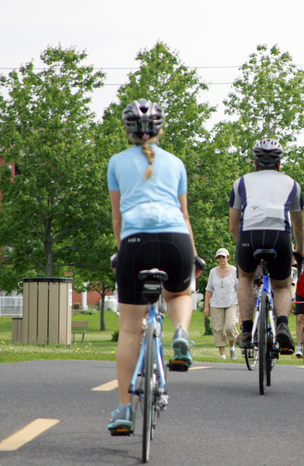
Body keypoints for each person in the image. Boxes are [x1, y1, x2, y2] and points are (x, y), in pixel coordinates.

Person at [107, 99, 204, 435]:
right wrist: (193, 256)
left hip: (136, 242)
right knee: (180, 291)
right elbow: (185, 216)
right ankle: (181, 332)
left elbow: (118, 218)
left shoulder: (116, 162)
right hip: (176, 240)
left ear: (128, 130)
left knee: (131, 330)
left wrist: (123, 253)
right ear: (160, 130)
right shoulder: (176, 163)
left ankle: (123, 410)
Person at [229, 138, 304, 356]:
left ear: (255, 163)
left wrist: (241, 246)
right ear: (279, 163)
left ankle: (245, 331)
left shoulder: (241, 183)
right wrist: (299, 250)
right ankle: (282, 325)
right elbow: (299, 228)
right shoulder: (292, 184)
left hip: (249, 234)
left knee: (245, 277)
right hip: (280, 235)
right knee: (281, 285)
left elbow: (233, 225)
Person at [204, 247, 240, 361]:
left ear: (228, 258)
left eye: (223, 257)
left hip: (232, 302)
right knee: (218, 328)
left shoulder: (234, 271)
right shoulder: (212, 272)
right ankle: (223, 356)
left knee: (230, 326)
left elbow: (239, 289)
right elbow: (209, 289)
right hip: (216, 303)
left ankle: (232, 348)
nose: (221, 259)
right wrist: (206, 306)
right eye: (219, 257)